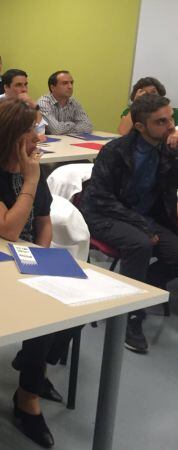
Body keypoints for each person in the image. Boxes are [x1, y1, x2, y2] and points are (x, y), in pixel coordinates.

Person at [0, 98, 80, 448]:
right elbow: (9, 229)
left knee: (75, 306)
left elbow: (42, 222)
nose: (37, 137)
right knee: (42, 308)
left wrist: (40, 259)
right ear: (9, 135)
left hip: (25, 259)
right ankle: (28, 396)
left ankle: (34, 363)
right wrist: (29, 178)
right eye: (31, 130)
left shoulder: (31, 168)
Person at [81, 93, 178, 354]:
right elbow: (100, 198)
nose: (170, 126)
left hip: (145, 217)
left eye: (171, 119)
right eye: (161, 122)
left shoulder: (167, 150)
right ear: (140, 127)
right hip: (105, 215)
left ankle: (144, 285)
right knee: (140, 244)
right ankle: (129, 317)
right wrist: (141, 225)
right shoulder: (115, 151)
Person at [0, 69, 48, 139]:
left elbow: (41, 133)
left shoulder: (27, 104)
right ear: (6, 87)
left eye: (25, 85)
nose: (24, 89)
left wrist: (34, 107)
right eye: (18, 85)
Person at [37, 71, 93, 135]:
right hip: (51, 144)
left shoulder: (74, 102)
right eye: (65, 83)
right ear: (52, 87)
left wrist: (64, 129)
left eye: (71, 83)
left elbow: (88, 126)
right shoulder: (43, 103)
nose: (70, 86)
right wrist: (72, 124)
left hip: (69, 142)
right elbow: (56, 130)